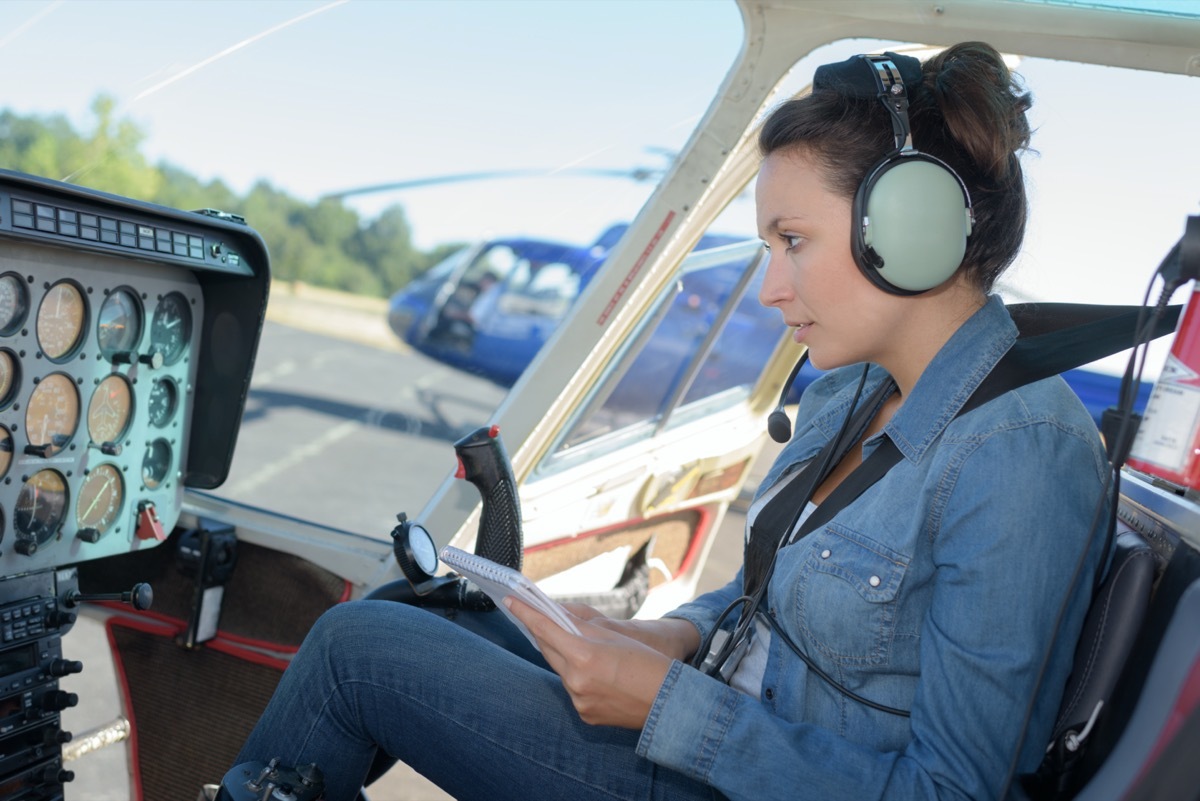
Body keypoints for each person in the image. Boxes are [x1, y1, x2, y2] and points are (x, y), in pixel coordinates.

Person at [232, 43, 1109, 801]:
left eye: (792, 241)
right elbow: (769, 594)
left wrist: (669, 704)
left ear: (909, 228)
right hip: (722, 734)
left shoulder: (1021, 454)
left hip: (727, 772)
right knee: (431, 612)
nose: (770, 288)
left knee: (359, 648)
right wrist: (671, 635)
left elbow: (950, 790)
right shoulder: (851, 391)